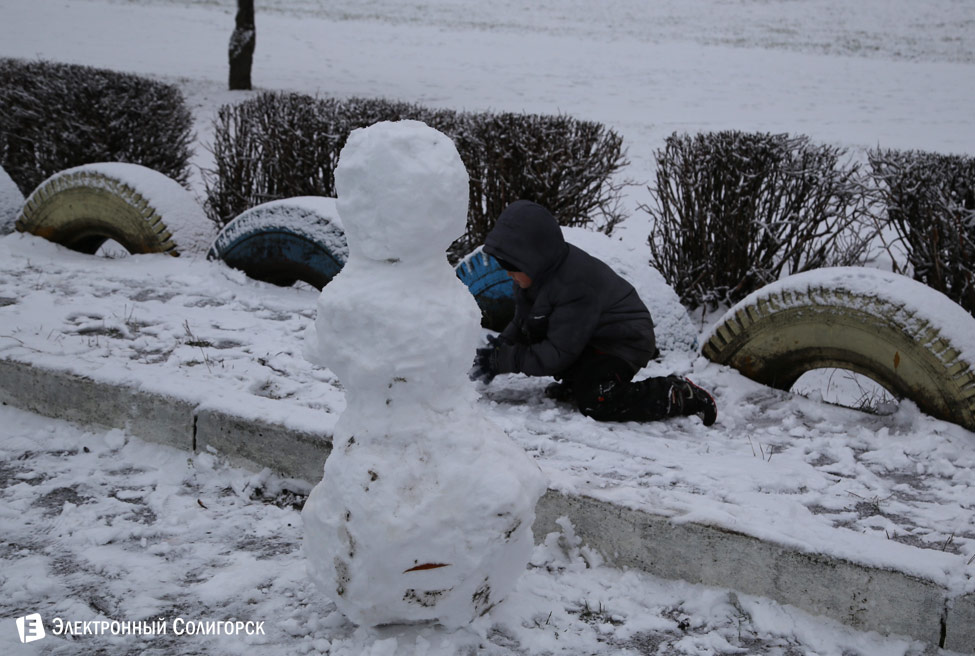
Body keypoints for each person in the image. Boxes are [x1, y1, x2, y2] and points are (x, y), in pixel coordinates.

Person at [470, 200, 717, 426]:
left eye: (512, 267)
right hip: (591, 338)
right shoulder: (534, 276)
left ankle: (674, 393)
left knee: (597, 402)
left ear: (534, 258)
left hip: (623, 342)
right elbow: (524, 322)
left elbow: (558, 353)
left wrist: (507, 359)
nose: (508, 274)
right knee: (548, 346)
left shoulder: (574, 285)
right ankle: (581, 382)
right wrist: (500, 348)